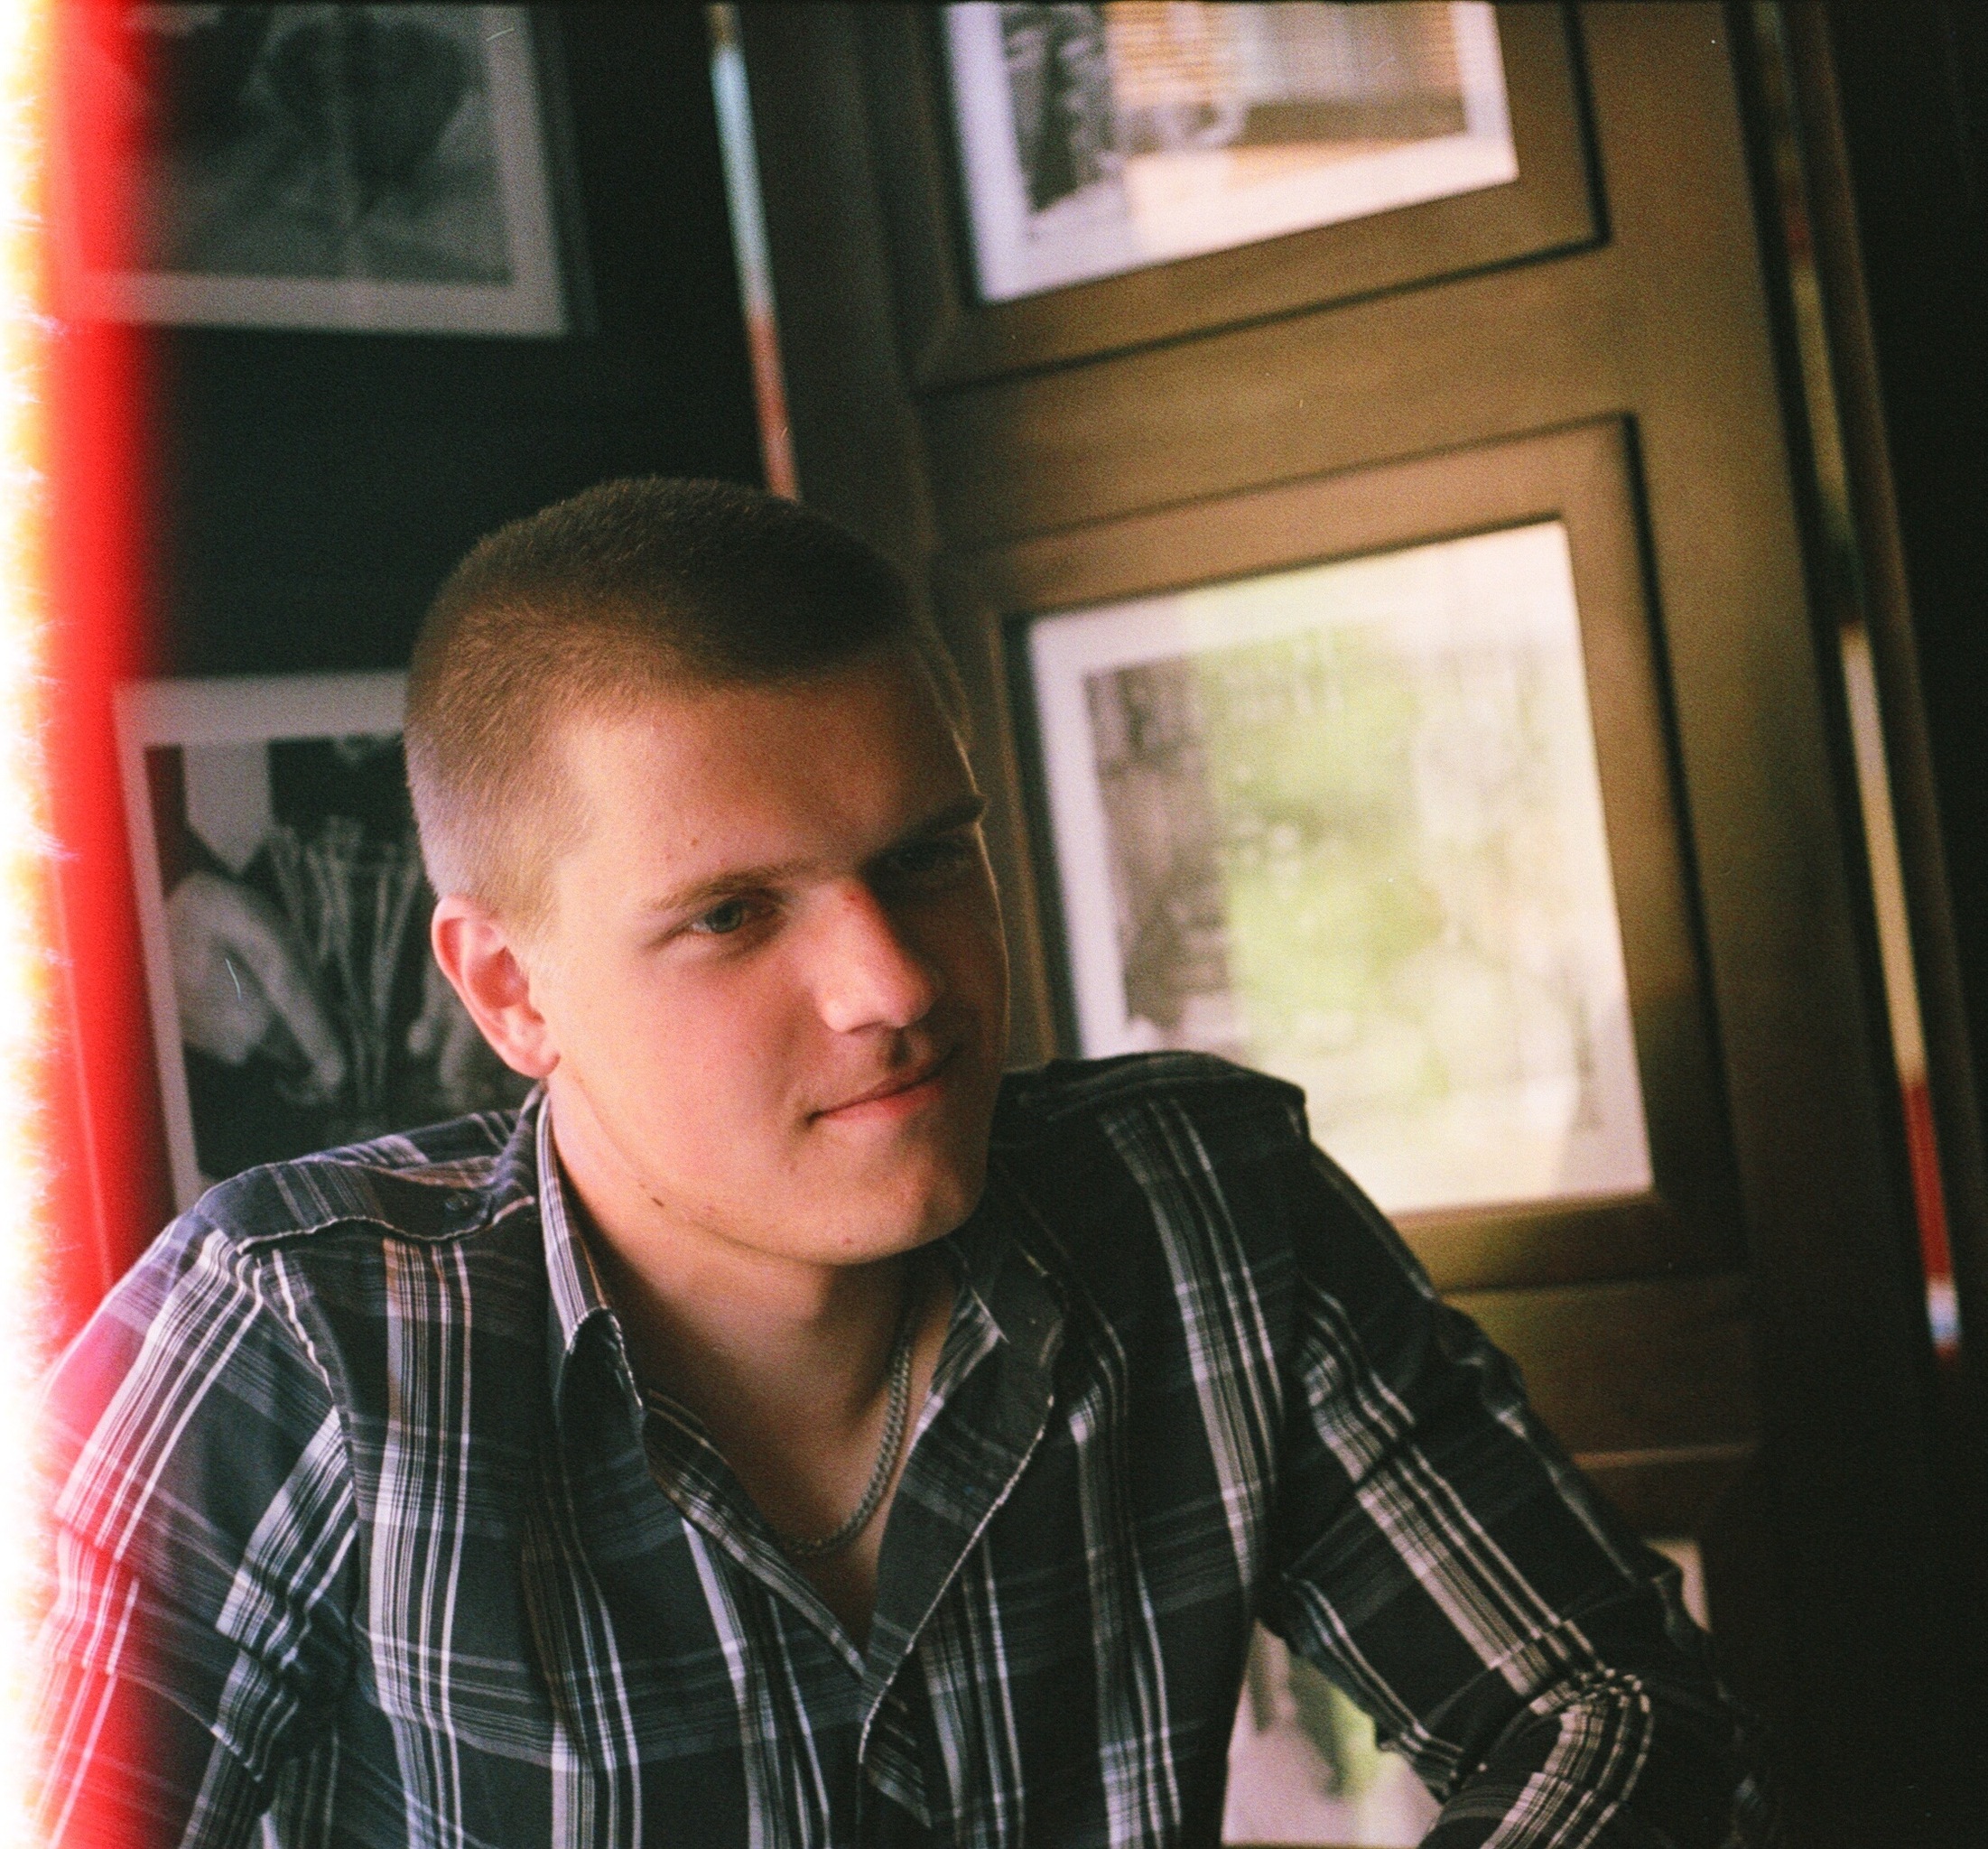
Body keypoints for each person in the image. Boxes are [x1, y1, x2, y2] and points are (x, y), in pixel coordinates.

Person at [34, 479, 1773, 1845]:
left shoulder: (1201, 1209)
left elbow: (1605, 1709)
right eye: (733, 915)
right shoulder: (296, 1342)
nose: (895, 987)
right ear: (510, 992)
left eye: (928, 857)